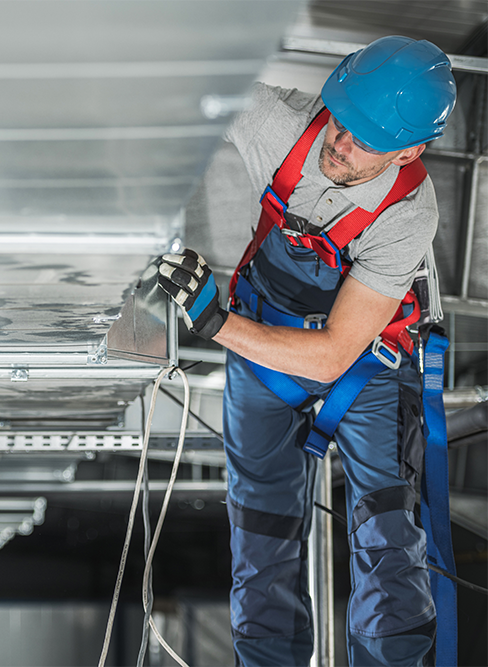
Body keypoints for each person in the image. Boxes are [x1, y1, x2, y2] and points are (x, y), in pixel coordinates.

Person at [153, 36, 457, 666]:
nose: (338, 146)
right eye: (340, 124)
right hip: (264, 348)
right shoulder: (280, 126)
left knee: (389, 541)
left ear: (412, 150)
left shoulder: (407, 214)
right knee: (261, 536)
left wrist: (213, 321)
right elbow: (184, 79)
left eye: (364, 142)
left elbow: (330, 357)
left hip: (364, 366)